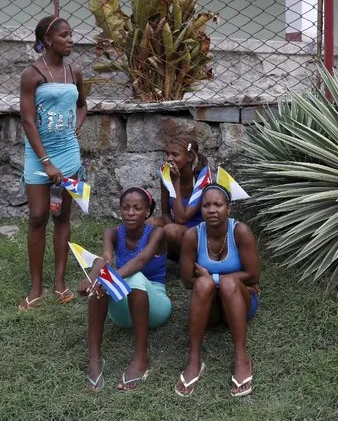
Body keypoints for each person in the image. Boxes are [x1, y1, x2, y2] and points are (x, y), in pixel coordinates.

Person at [18, 15, 87, 310]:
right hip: (39, 154)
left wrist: (76, 127)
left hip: (68, 153)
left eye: (71, 35)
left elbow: (82, 105)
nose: (70, 39)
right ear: (48, 40)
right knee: (38, 215)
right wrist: (46, 162)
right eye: (64, 35)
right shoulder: (32, 74)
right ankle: (36, 286)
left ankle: (59, 282)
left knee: (62, 216)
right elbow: (28, 120)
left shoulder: (75, 72)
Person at [77, 187, 172, 392]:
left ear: (147, 212)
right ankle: (95, 359)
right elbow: (106, 258)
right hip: (123, 314)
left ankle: (141, 357)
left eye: (137, 208)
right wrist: (92, 279)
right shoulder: (112, 232)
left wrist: (109, 278)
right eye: (126, 208)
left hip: (156, 306)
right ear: (119, 210)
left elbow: (141, 260)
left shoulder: (157, 232)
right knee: (101, 281)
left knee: (133, 277)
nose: (130, 212)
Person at [174, 183, 260, 397]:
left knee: (227, 283)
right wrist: (209, 282)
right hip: (209, 308)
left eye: (218, 205)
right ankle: (193, 359)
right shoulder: (193, 236)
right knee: (202, 284)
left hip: (240, 301)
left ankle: (241, 358)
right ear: (201, 209)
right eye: (206, 205)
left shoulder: (240, 231)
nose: (212, 210)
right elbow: (186, 280)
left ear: (228, 208)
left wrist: (212, 277)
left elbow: (253, 276)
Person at [149, 136, 209, 259]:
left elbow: (182, 218)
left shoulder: (202, 180)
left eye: (175, 154)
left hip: (199, 234)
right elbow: (165, 212)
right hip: (177, 229)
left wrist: (176, 181)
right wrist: (169, 229)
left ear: (190, 157)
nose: (169, 158)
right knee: (149, 223)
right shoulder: (166, 177)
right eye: (168, 154)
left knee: (171, 230)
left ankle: (192, 260)